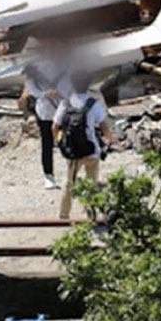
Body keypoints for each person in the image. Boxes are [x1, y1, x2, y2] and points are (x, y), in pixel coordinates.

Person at [52, 71, 113, 220]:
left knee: (69, 183)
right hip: (91, 150)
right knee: (92, 184)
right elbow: (104, 127)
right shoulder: (93, 103)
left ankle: (64, 213)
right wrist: (109, 140)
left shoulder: (66, 102)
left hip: (73, 152)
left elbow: (54, 127)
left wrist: (61, 143)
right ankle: (88, 213)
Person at [21, 56, 63, 190]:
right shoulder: (33, 68)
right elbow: (30, 88)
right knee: (47, 144)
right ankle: (49, 176)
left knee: (67, 140)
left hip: (62, 109)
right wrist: (45, 93)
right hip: (45, 111)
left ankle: (72, 172)